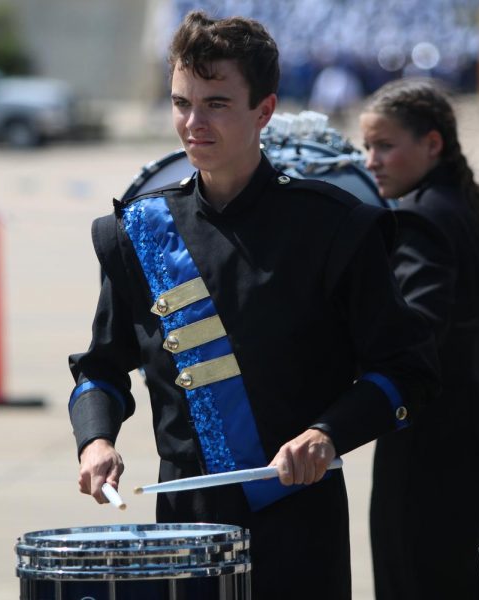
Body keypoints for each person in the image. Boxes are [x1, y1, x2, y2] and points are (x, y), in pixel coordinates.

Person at [68, 11, 439, 600]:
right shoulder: (138, 233)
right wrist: (96, 440)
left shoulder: (335, 228)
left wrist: (327, 433)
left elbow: (405, 370)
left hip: (298, 524)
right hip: (185, 527)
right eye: (181, 102)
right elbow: (102, 370)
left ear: (264, 111)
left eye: (216, 103)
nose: (193, 123)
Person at [359, 79, 479, 599]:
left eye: (385, 145)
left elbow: (415, 330)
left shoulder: (417, 216)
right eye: (367, 146)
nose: (371, 160)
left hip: (430, 461)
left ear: (432, 144)